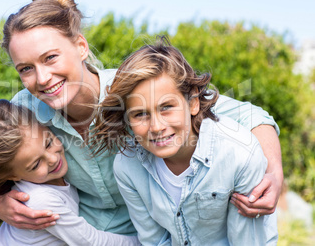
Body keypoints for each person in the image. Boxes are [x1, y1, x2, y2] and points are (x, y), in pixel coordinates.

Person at [0, 0, 283, 234]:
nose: (42, 78)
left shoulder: (136, 88)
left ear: (80, 46)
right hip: (82, 229)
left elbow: (250, 115)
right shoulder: (23, 112)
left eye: (51, 57)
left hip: (154, 230)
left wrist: (274, 172)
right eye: (26, 69)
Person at [91, 38, 278, 245]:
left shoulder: (239, 154)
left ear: (193, 103)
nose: (156, 127)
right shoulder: (127, 166)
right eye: (140, 114)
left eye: (166, 107)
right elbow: (154, 241)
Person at [0, 99, 140, 246]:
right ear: (13, 176)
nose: (53, 159)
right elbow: (90, 241)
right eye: (34, 165)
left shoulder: (34, 123)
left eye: (49, 142)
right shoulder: (40, 201)